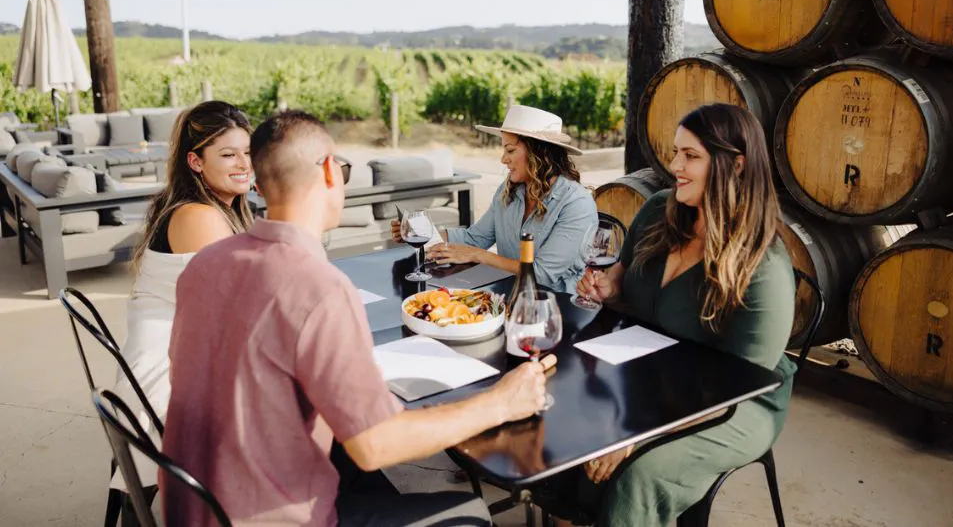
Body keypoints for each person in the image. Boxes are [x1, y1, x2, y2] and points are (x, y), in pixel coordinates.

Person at [163, 110, 556, 526]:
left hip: (193, 507)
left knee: (356, 465)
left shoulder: (204, 264)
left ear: (259, 183)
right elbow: (376, 444)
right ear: (332, 172)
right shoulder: (319, 287)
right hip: (268, 515)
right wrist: (500, 403)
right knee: (472, 515)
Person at [557, 103, 797, 526]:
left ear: (736, 165)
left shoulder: (763, 266)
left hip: (735, 403)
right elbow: (623, 277)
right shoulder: (660, 210)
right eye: (675, 153)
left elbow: (738, 384)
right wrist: (609, 286)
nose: (674, 166)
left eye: (691, 156)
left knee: (640, 473)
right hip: (654, 373)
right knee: (567, 414)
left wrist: (638, 433)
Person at [111, 101, 254, 502]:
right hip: (164, 384)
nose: (244, 163)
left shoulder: (213, 208)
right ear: (195, 161)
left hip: (177, 359)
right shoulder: (198, 217)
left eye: (248, 152)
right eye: (228, 154)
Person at [391, 104, 598, 294]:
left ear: (538, 153)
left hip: (559, 307)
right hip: (510, 295)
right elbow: (475, 239)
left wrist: (478, 255)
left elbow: (542, 274)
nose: (503, 159)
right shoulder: (510, 190)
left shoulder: (576, 204)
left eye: (510, 150)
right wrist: (421, 232)